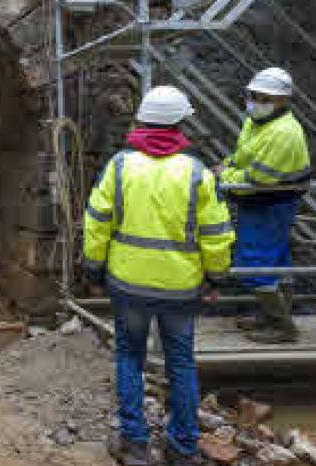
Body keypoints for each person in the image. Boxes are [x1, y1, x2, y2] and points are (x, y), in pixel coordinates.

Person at [84, 86, 235, 466]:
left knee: (130, 357)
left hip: (128, 285)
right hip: (180, 289)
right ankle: (182, 448)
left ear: (140, 121)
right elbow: (216, 234)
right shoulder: (197, 174)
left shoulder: (119, 167)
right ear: (181, 124)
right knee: (180, 362)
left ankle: (134, 444)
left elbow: (97, 222)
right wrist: (215, 278)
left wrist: (93, 267)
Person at [214, 67, 311, 344]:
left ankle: (282, 326)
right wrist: (229, 164)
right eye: (253, 95)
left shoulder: (284, 133)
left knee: (255, 261)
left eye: (264, 97)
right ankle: (272, 315)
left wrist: (223, 175)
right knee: (276, 257)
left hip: (271, 202)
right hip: (262, 202)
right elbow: (244, 155)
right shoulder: (258, 122)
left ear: (283, 101)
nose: (255, 101)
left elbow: (259, 178)